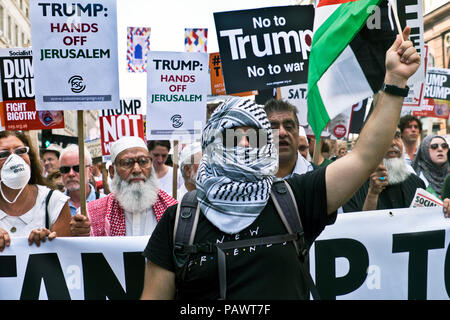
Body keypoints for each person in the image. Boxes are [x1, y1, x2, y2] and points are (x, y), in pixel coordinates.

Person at [140, 28, 423, 300]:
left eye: (255, 136)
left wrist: (395, 81)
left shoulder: (292, 199)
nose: (244, 145)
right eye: (232, 137)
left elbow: (364, 157)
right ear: (211, 144)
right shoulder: (179, 221)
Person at [81, 136, 177, 237]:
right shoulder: (90, 215)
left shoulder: (173, 210)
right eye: (127, 163)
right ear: (112, 171)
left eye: (143, 161)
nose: (137, 169)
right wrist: (77, 234)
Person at [0, 131, 72, 252]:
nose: (14, 158)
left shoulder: (54, 202)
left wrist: (49, 244)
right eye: (3, 154)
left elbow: (67, 257)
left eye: (20, 151)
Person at [343, 129, 425, 212]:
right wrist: (372, 194)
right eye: (384, 137)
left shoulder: (417, 184)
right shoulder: (351, 188)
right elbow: (357, 224)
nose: (393, 143)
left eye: (397, 136)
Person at [264, 99, 314, 177]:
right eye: (273, 128)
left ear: (298, 131)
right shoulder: (248, 180)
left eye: (288, 127)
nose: (282, 133)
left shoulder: (318, 179)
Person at [59, 144, 105, 216]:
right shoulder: (54, 205)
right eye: (65, 169)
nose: (71, 174)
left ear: (90, 170)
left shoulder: (106, 203)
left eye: (77, 168)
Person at [412, 135, 449, 199]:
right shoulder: (417, 177)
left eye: (444, 146)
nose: (440, 149)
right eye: (434, 146)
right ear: (425, 150)